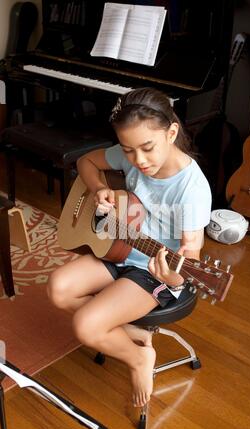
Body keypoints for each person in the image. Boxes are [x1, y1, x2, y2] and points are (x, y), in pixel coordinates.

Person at [47, 87, 211, 408]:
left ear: (171, 132)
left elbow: (191, 252)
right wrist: (98, 190)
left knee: (85, 325)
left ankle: (138, 357)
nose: (138, 160)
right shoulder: (130, 153)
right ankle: (131, 333)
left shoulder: (191, 188)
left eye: (147, 148)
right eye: (128, 150)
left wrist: (174, 276)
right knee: (58, 288)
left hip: (153, 272)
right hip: (117, 249)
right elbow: (85, 162)